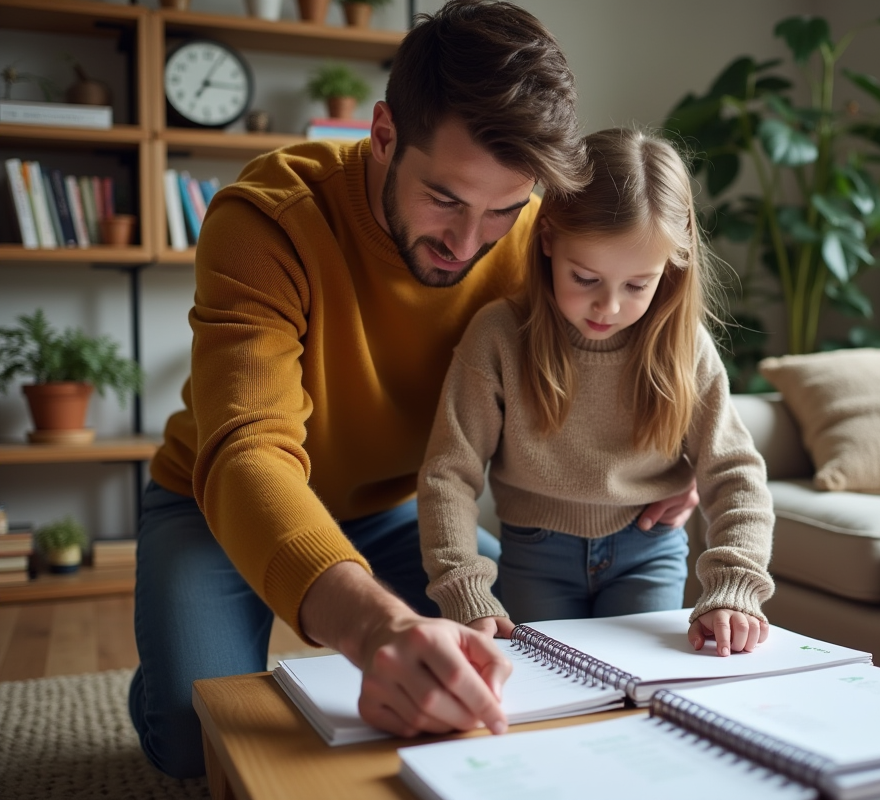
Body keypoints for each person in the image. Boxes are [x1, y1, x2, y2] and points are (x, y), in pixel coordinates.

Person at [130, 2, 698, 779]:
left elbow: (626, 341)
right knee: (195, 737)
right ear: (384, 134)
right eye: (445, 200)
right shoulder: (266, 220)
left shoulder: (536, 240)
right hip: (218, 504)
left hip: (392, 512)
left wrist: (679, 449)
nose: (470, 244)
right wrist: (376, 630)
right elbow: (247, 452)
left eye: (505, 208)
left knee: (520, 662)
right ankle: (170, 655)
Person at [418, 128, 776, 654]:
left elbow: (736, 472)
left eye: (637, 285)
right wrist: (465, 591)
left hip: (649, 550)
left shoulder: (684, 346)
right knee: (544, 690)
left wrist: (734, 586)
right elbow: (448, 473)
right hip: (534, 556)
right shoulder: (498, 335)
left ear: (670, 267)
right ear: (547, 241)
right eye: (584, 278)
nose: (608, 308)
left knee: (643, 693)